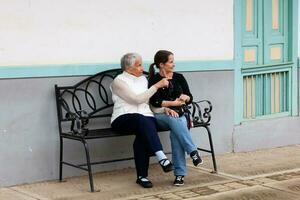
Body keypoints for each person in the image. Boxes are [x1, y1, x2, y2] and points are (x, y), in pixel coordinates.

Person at [110, 53, 173, 188]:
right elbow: (136, 100)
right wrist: (156, 86)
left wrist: (163, 110)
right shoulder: (119, 81)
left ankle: (142, 177)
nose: (141, 68)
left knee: (143, 128)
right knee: (142, 120)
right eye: (139, 65)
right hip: (123, 119)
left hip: (144, 120)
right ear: (128, 68)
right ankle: (161, 156)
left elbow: (149, 104)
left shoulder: (144, 80)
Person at [148, 50, 203, 186]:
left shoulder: (179, 77)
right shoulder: (154, 80)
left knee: (176, 131)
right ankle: (193, 151)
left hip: (180, 114)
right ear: (161, 64)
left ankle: (179, 175)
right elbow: (155, 102)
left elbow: (189, 97)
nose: (174, 64)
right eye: (171, 62)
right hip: (161, 115)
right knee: (176, 120)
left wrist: (186, 97)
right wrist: (172, 104)